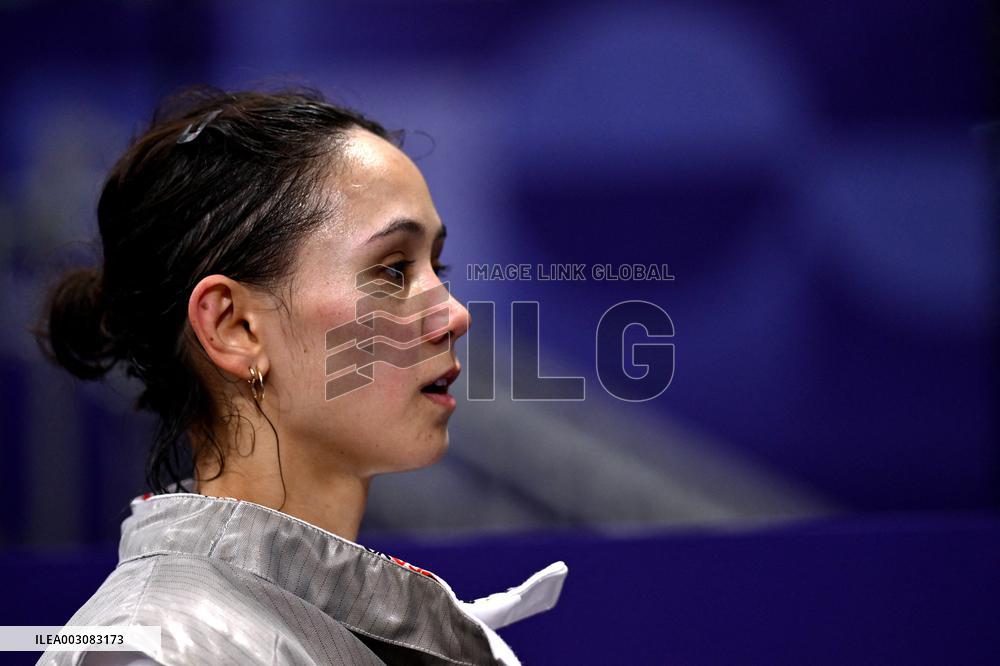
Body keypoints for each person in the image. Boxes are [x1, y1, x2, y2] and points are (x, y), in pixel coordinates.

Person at [34, 87, 567, 665]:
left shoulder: (328, 629)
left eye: (437, 266)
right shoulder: (151, 652)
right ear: (236, 327)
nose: (456, 315)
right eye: (393, 270)